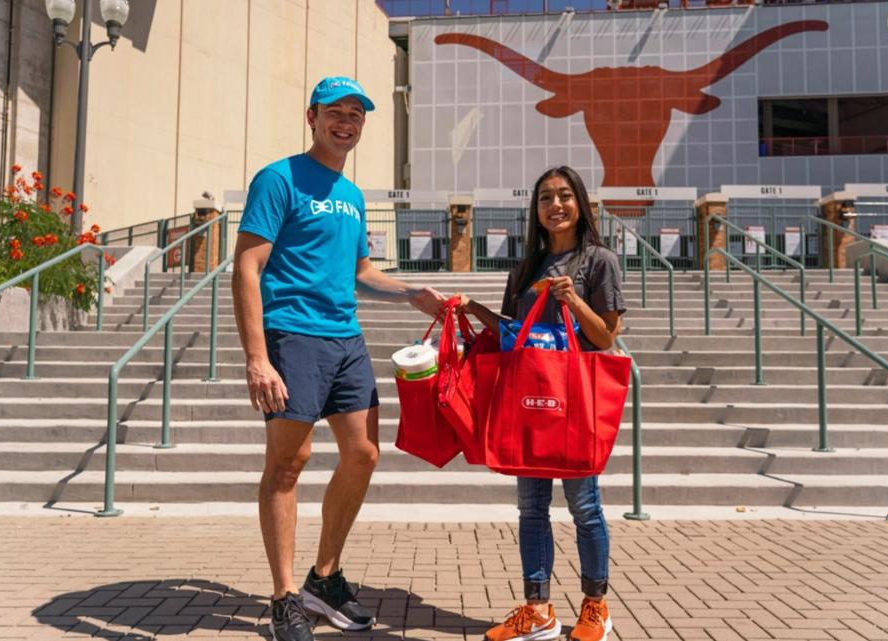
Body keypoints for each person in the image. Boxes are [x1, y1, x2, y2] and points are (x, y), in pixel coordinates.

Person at [231, 76, 444, 641]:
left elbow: (359, 273)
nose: (346, 121)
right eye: (336, 112)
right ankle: (283, 599)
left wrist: (410, 294)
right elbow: (247, 267)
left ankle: (323, 579)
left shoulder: (350, 196)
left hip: (345, 338)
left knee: (365, 454)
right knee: (288, 463)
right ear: (313, 117)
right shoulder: (279, 179)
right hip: (292, 335)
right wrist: (258, 357)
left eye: (356, 114)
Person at [460, 166, 626, 641]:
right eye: (546, 198)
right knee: (531, 509)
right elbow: (514, 333)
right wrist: (473, 309)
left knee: (584, 506)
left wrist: (573, 300)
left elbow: (607, 339)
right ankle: (538, 611)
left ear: (580, 204)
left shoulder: (598, 262)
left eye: (565, 196)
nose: (555, 205)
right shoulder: (524, 268)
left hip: (574, 399)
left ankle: (596, 606)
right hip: (531, 400)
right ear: (535, 210)